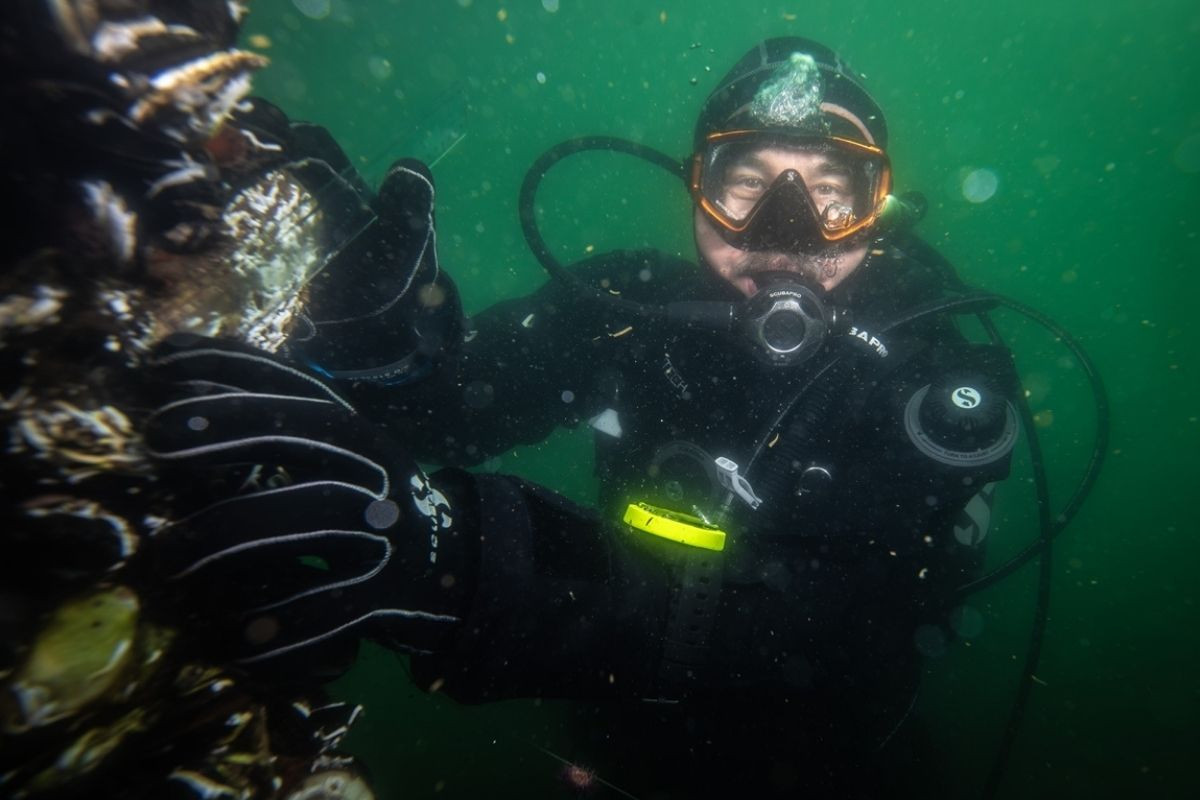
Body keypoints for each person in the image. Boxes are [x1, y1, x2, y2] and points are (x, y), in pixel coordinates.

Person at [143, 37, 1023, 797]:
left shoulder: (935, 383)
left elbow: (838, 636)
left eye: (834, 192)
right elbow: (441, 413)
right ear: (693, 189)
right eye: (744, 183)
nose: (785, 228)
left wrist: (468, 573)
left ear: (882, 208)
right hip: (614, 755)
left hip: (840, 778)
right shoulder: (626, 308)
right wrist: (379, 344)